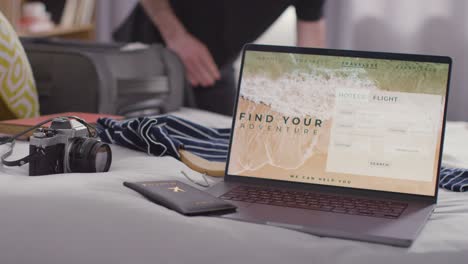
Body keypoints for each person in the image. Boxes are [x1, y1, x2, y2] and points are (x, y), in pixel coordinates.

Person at [115, 0, 326, 116]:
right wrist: (176, 37)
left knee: (221, 153)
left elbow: (311, 33)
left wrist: (315, 100)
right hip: (151, 52)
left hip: (214, 70)